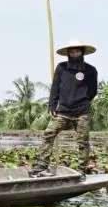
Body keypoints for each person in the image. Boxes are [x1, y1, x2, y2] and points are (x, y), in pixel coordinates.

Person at [30, 38, 99, 177]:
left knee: (83, 141)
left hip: (82, 112)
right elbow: (55, 88)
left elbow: (93, 91)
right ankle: (41, 165)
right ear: (68, 53)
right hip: (63, 111)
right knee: (49, 134)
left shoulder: (91, 70)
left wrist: (83, 100)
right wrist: (52, 106)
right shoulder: (61, 68)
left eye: (77, 51)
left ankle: (82, 169)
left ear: (82, 52)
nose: (74, 54)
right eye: (72, 52)